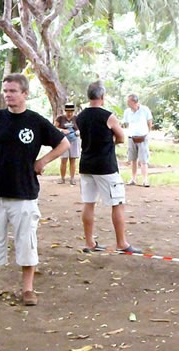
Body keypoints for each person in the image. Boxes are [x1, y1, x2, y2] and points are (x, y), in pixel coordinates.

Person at [0, 73, 70, 306]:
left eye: (13, 91)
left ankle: (27, 289)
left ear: (25, 94)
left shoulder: (36, 121)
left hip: (24, 192)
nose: (8, 95)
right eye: (6, 91)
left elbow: (64, 143)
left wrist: (43, 161)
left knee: (26, 240)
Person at [76, 82, 141, 254]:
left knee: (88, 203)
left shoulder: (80, 116)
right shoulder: (108, 116)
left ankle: (89, 242)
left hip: (86, 164)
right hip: (105, 166)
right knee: (117, 203)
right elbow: (120, 137)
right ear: (102, 97)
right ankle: (122, 243)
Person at [123, 94, 153, 187]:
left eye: (129, 102)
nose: (128, 103)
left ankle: (145, 180)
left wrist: (146, 133)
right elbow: (127, 124)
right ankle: (133, 179)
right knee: (133, 159)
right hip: (131, 138)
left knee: (143, 159)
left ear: (134, 102)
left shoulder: (145, 109)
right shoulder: (127, 112)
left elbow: (149, 123)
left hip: (143, 138)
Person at [54, 103, 80, 185]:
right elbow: (54, 127)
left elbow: (82, 127)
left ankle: (72, 178)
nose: (69, 113)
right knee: (63, 159)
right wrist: (62, 130)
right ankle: (62, 178)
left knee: (73, 159)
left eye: (71, 111)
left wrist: (77, 132)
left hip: (74, 140)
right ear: (65, 111)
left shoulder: (77, 118)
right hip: (63, 140)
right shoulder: (60, 118)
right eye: (68, 111)